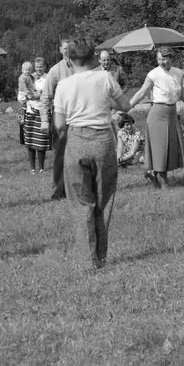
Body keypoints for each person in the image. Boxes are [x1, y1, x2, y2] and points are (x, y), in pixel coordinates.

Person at [53, 38, 134, 270]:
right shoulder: (105, 77)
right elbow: (125, 106)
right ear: (93, 58)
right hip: (103, 141)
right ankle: (101, 257)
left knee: (80, 203)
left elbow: (59, 124)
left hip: (76, 140)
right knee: (103, 201)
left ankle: (87, 261)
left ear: (69, 58)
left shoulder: (64, 85)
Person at [128, 47, 184, 188]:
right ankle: (164, 183)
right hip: (157, 114)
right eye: (158, 59)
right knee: (160, 148)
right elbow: (141, 92)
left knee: (168, 147)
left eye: (164, 59)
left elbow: (182, 94)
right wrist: (127, 106)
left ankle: (155, 178)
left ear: (171, 58)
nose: (161, 62)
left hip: (172, 114)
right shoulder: (153, 74)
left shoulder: (178, 73)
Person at [44, 39, 78, 201]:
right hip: (61, 118)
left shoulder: (80, 67)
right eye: (65, 48)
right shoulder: (55, 71)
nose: (67, 51)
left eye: (70, 48)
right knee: (61, 155)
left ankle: (77, 188)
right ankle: (59, 190)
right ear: (60, 50)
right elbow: (45, 97)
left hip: (79, 116)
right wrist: (44, 120)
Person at [17, 60, 49, 173]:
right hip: (30, 111)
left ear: (45, 67)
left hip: (42, 111)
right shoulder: (28, 77)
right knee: (30, 139)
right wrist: (32, 96)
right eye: (37, 67)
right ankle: (32, 168)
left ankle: (41, 167)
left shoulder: (48, 78)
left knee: (41, 140)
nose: (39, 69)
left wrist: (38, 95)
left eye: (41, 67)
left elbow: (48, 94)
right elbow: (21, 95)